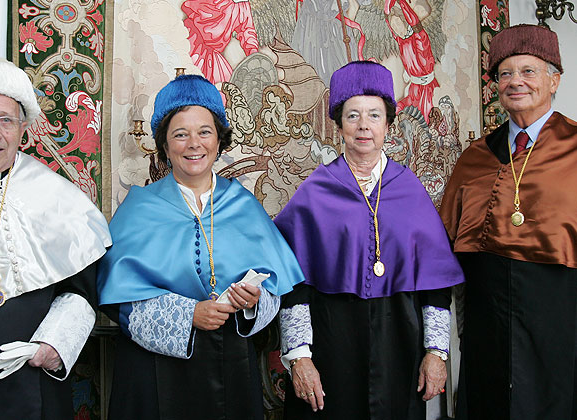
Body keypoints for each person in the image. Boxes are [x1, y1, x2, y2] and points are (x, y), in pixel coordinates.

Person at [97, 74, 304, 420]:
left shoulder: (244, 205)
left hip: (230, 368)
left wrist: (253, 303)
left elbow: (275, 286)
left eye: (204, 132)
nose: (194, 144)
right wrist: (187, 315)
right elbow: (117, 302)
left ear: (219, 141)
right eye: (180, 134)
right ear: (164, 145)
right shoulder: (138, 208)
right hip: (153, 375)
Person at [274, 60, 464, 419]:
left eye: (374, 116)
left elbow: (436, 284)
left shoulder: (410, 190)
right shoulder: (316, 192)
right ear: (338, 125)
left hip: (400, 345)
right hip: (331, 345)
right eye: (353, 116)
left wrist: (436, 354)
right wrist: (299, 358)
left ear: (388, 124)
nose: (364, 126)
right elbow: (292, 284)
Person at [0, 57, 112, 419]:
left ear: (23, 128)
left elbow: (81, 291)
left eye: (6, 120)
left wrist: (51, 345)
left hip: (32, 382)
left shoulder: (58, 197)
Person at [439, 24, 576, 420]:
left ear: (554, 80)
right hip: (488, 324)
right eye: (505, 74)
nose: (515, 82)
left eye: (528, 71)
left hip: (560, 318)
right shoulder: (475, 157)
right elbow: (442, 241)